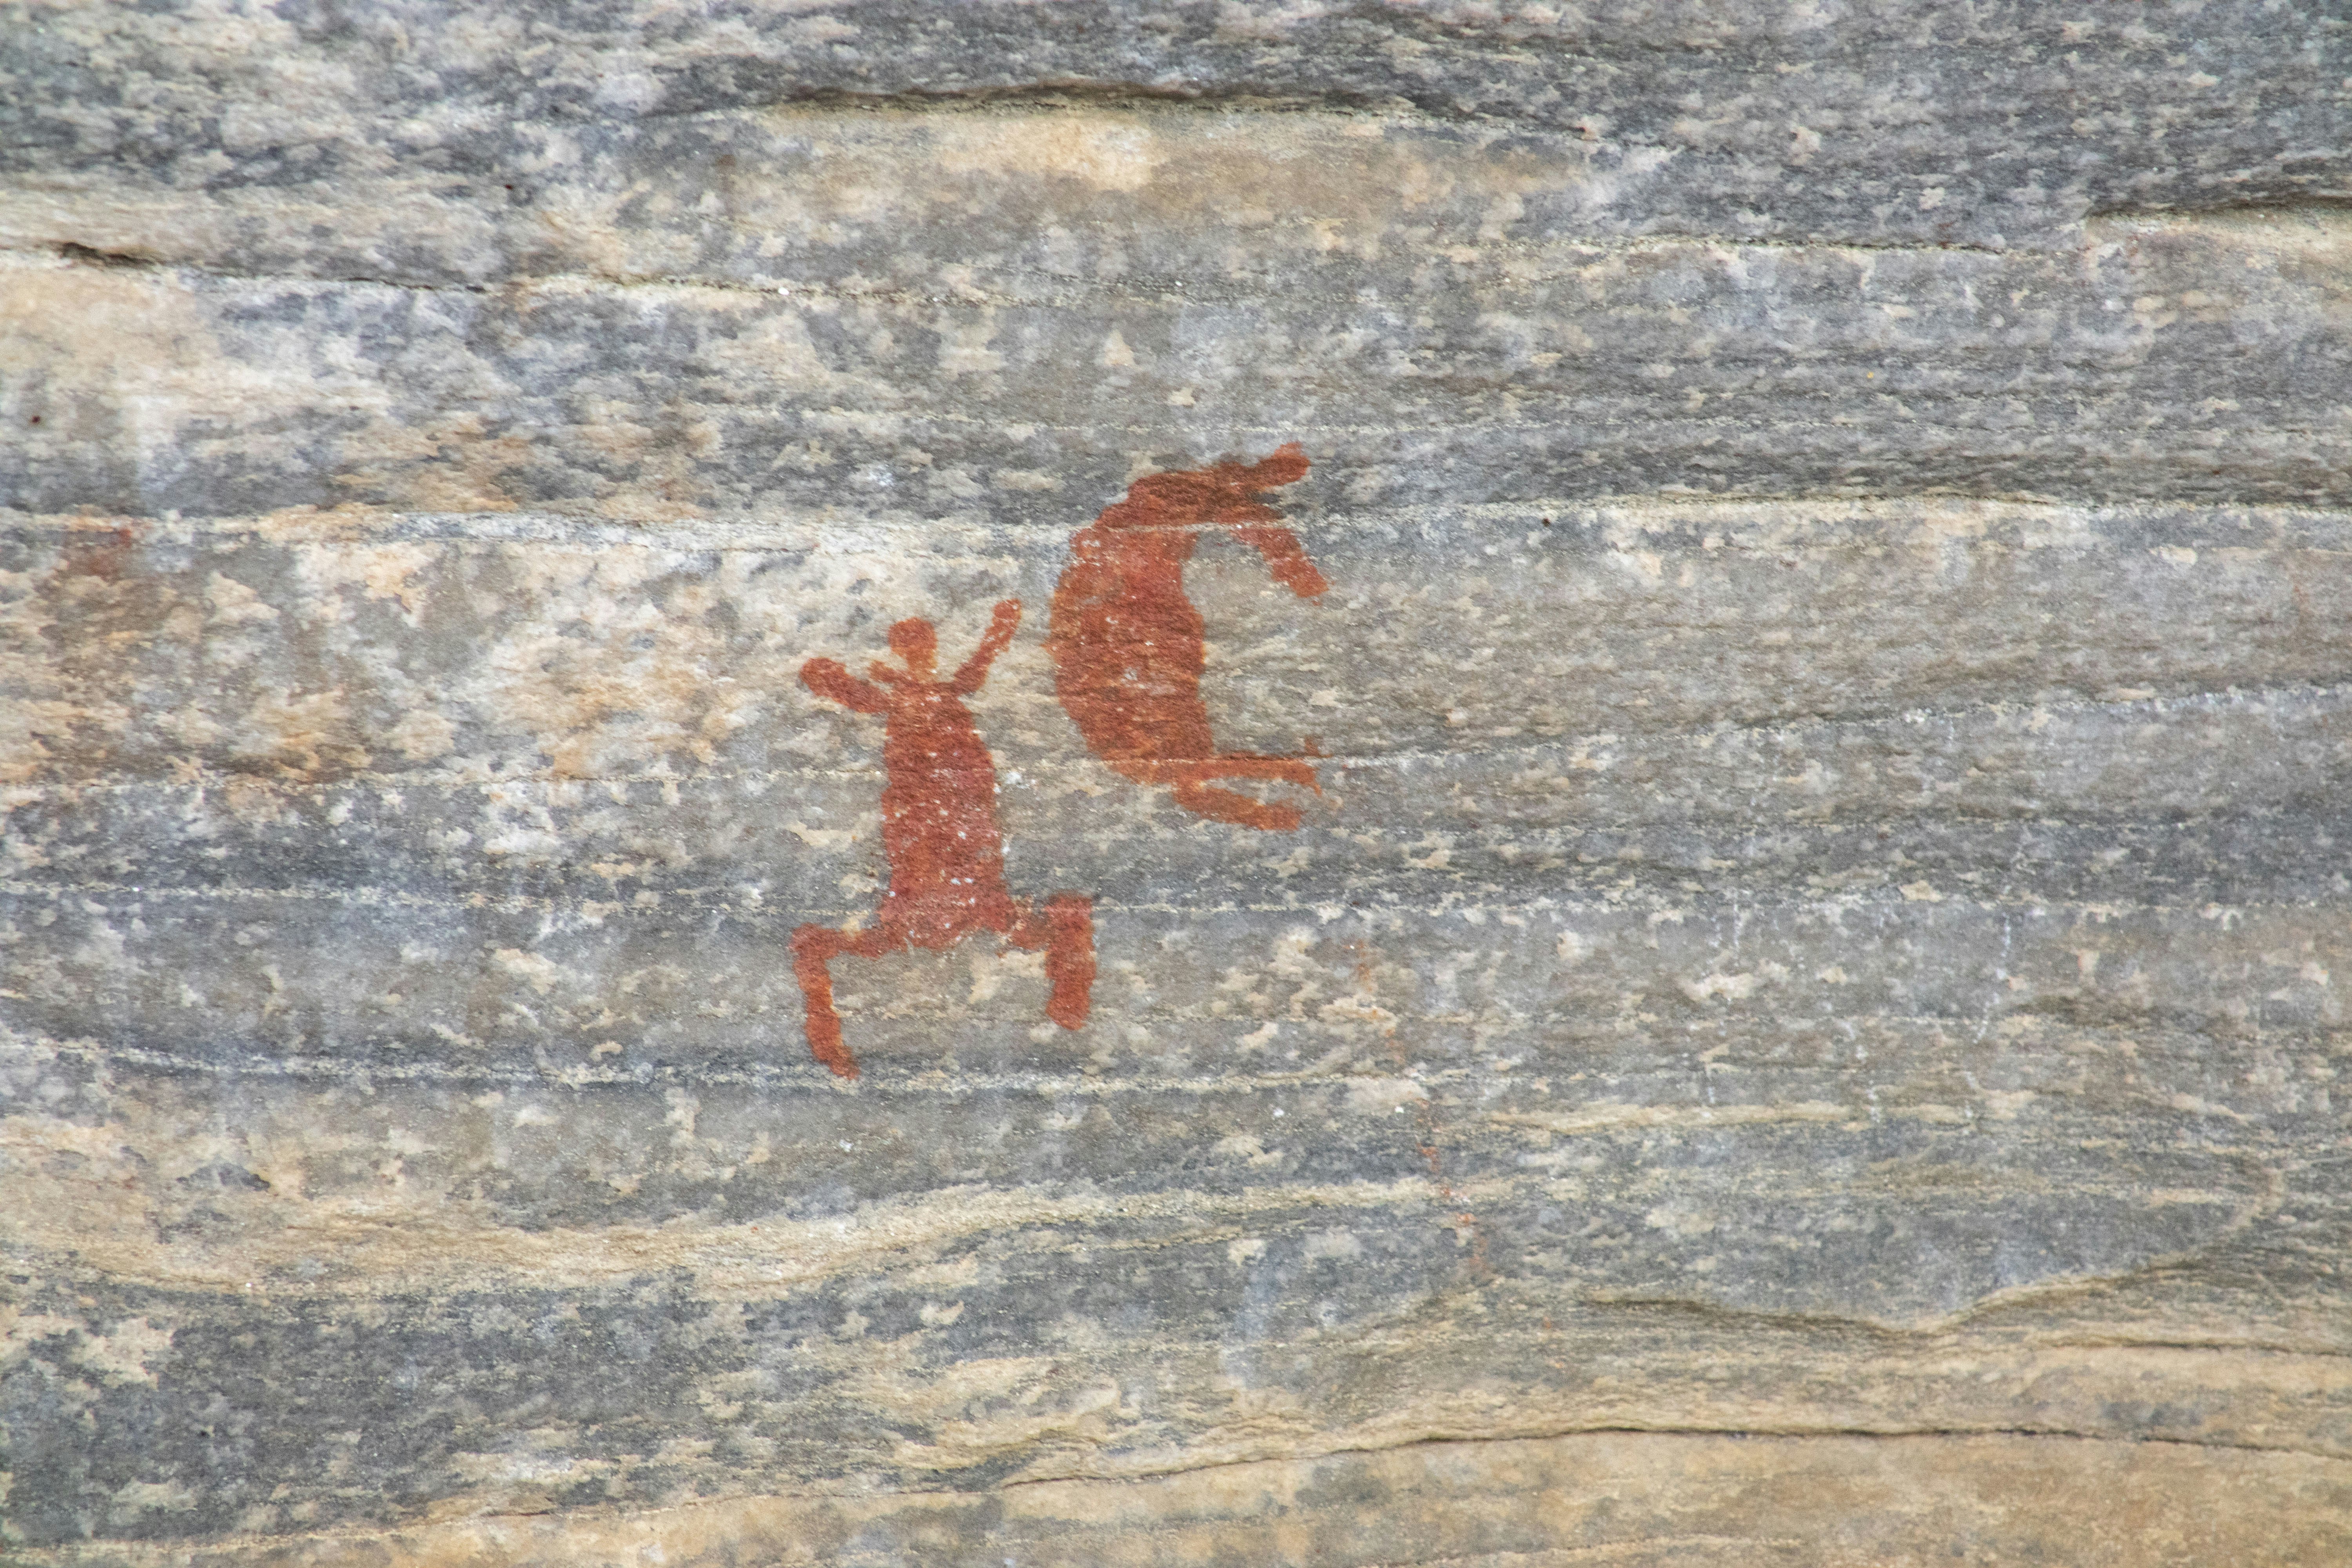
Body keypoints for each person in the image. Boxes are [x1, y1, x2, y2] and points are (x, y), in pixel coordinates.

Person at [792, 601, 1093, 1078]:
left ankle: (1070, 982)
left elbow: (967, 677)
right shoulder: (909, 696)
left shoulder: (924, 693)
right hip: (937, 814)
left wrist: (1000, 631)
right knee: (949, 847)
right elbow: (874, 694)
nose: (919, 653)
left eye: (920, 645)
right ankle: (826, 1038)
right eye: (914, 645)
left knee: (955, 845)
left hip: (948, 806)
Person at [1047, 445, 1328, 831]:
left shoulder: (1138, 750)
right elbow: (1198, 781)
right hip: (1138, 634)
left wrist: (1282, 783)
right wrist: (1274, 799)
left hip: (1127, 632)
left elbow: (1196, 779)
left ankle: (1233, 489)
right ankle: (1233, 490)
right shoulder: (1153, 750)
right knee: (1162, 529)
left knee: (1157, 526)